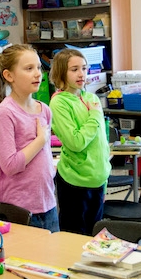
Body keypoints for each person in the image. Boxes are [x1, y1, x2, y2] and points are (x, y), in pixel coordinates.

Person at [0, 44, 58, 231]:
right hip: (19, 207)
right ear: (9, 76)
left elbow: (44, 155)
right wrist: (40, 141)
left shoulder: (45, 109)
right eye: (28, 68)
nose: (37, 74)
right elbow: (10, 166)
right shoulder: (5, 112)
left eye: (38, 67)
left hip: (47, 202)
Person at [49, 48, 109, 234]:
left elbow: (101, 140)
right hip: (75, 181)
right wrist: (95, 115)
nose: (81, 74)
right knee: (74, 237)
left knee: (94, 234)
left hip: (97, 177)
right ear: (61, 72)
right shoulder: (59, 102)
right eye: (74, 69)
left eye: (83, 68)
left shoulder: (90, 97)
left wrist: (105, 171)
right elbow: (76, 142)